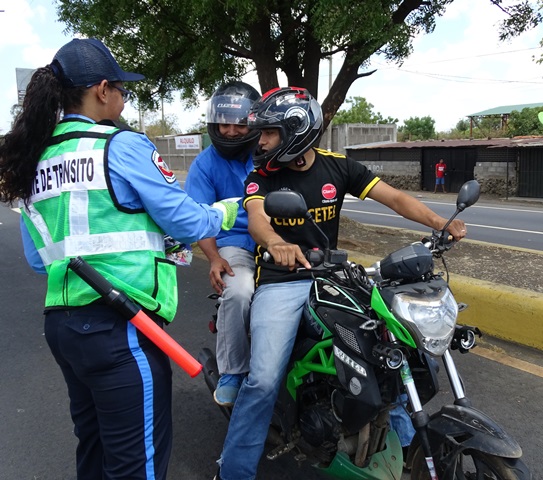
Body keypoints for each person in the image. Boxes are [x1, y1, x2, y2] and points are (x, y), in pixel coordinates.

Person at [0, 38, 238, 480]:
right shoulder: (122, 146)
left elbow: (38, 260)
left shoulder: (34, 159)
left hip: (63, 328)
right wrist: (227, 210)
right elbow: (188, 222)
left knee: (93, 451)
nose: (125, 99)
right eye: (123, 89)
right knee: (136, 466)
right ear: (102, 89)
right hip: (123, 327)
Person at [215, 87, 467, 480]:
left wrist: (440, 223)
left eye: (269, 133)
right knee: (263, 380)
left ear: (295, 131)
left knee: (390, 345)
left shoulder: (338, 167)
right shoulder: (261, 176)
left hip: (332, 277)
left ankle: (397, 440)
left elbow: (394, 198)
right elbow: (258, 220)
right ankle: (233, 472)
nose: (259, 141)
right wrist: (277, 244)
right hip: (282, 282)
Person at [184, 81, 260, 407]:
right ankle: (233, 371)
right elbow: (199, 219)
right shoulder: (204, 164)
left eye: (239, 124)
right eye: (223, 124)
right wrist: (214, 258)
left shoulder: (271, 153)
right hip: (234, 244)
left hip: (278, 241)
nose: (230, 132)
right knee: (239, 290)